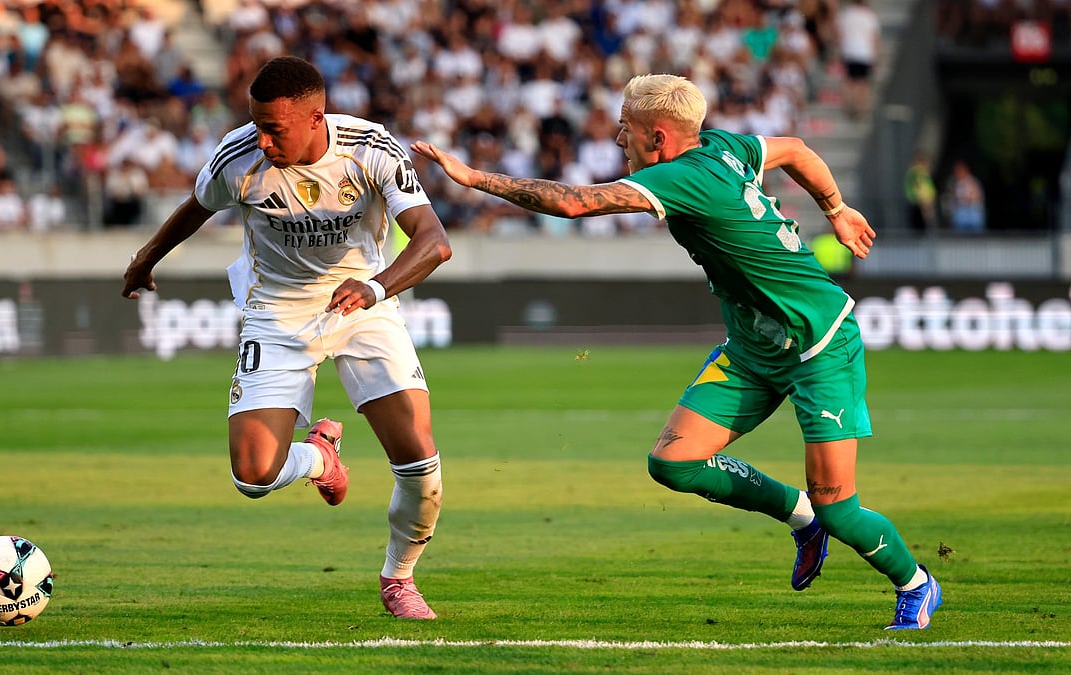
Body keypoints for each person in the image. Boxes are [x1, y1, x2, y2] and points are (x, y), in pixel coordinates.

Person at [412, 73, 942, 630]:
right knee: (673, 462)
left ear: (658, 138)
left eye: (626, 129)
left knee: (841, 507)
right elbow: (796, 151)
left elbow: (573, 204)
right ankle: (799, 515)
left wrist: (473, 177)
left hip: (818, 345)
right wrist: (835, 208)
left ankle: (916, 583)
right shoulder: (724, 146)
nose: (620, 140)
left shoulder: (685, 177)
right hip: (753, 345)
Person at [122, 56, 452, 620]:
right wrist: (145, 257)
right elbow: (195, 209)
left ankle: (398, 579)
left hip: (364, 303)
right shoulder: (239, 157)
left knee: (421, 466)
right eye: (256, 125)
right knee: (253, 475)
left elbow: (434, 242)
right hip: (277, 312)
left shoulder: (371, 149)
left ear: (316, 116)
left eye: (275, 128)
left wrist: (374, 287)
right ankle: (322, 459)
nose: (264, 140)